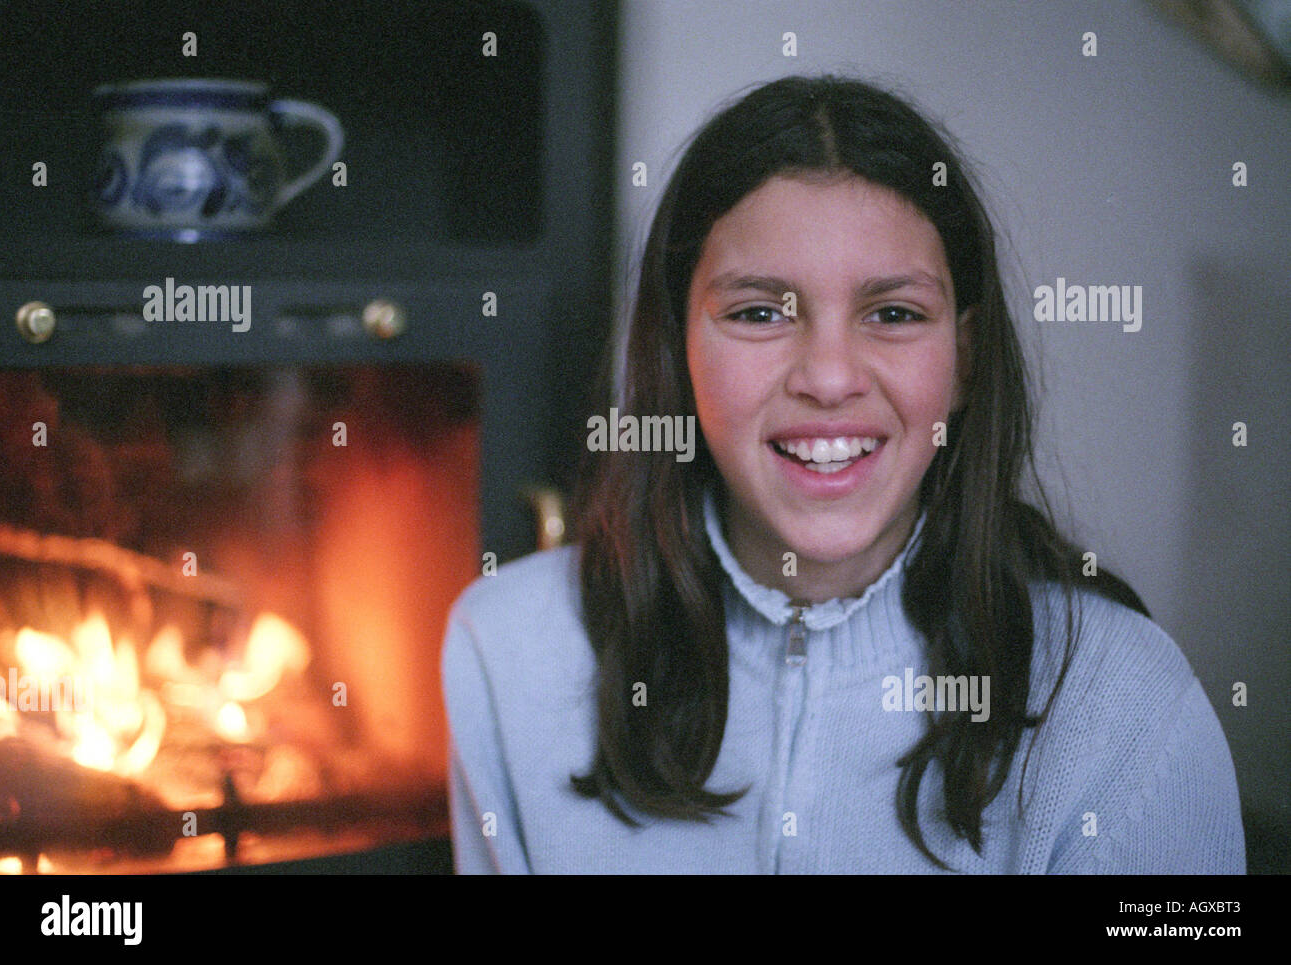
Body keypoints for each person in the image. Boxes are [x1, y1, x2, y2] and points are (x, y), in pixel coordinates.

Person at [441, 74, 1245, 874]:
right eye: (759, 312)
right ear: (676, 353)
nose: (828, 378)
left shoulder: (1125, 702)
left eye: (893, 314)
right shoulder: (505, 649)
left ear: (964, 359)